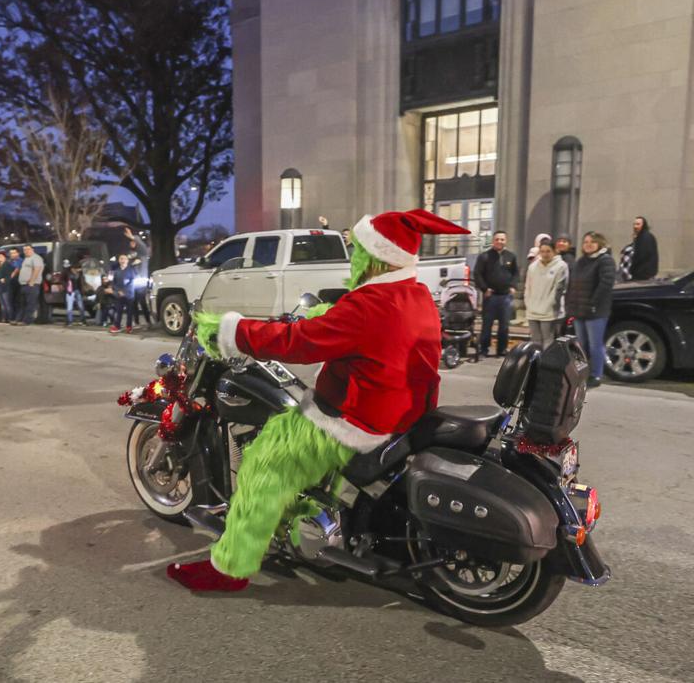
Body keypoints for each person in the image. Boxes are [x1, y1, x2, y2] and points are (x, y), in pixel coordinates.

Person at [167, 209, 470, 592]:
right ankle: (291, 519)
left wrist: (234, 331)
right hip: (403, 414)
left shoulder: (369, 305)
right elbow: (363, 332)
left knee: (264, 466)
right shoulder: (415, 294)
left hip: (356, 420)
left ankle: (229, 568)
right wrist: (324, 314)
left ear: (376, 256)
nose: (352, 256)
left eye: (357, 249)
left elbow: (298, 343)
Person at [567, 232, 616, 387]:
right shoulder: (581, 261)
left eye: (592, 242)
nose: (588, 244)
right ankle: (581, 373)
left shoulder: (605, 260)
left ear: (599, 244)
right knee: (580, 345)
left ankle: (596, 375)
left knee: (595, 344)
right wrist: (570, 304)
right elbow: (573, 285)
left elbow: (606, 283)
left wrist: (593, 302)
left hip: (596, 311)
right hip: (579, 309)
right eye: (586, 241)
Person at [473, 230, 519, 358]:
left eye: (502, 239)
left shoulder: (511, 256)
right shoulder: (484, 256)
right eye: (497, 239)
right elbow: (477, 274)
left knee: (504, 326)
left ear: (506, 241)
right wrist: (484, 289)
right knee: (487, 325)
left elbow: (516, 273)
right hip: (490, 297)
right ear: (493, 241)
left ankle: (501, 350)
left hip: (505, 297)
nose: (499, 241)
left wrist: (513, 286)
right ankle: (484, 350)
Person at [524, 238, 568, 347]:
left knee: (548, 340)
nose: (545, 254)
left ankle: (547, 358)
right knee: (535, 341)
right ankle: (536, 358)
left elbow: (558, 289)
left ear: (554, 251)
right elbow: (528, 287)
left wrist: (549, 306)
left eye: (548, 251)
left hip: (549, 312)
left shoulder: (561, 266)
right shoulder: (533, 267)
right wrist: (528, 303)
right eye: (542, 251)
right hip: (532, 310)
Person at [620, 216, 659, 282]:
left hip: (642, 275)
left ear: (643, 225)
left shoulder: (645, 237)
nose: (635, 226)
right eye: (634, 224)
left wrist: (632, 268)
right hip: (643, 273)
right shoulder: (643, 236)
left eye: (638, 224)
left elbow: (641, 255)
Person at [15, 244, 45, 325]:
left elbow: (37, 269)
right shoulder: (26, 259)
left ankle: (27, 321)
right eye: (24, 250)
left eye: (28, 249)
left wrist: (32, 281)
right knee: (23, 303)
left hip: (32, 285)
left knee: (30, 303)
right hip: (24, 284)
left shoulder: (36, 258)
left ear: (32, 249)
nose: (26, 251)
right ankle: (20, 319)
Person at [107, 254, 137, 334]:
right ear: (119, 260)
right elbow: (113, 283)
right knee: (118, 311)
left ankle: (129, 327)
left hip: (129, 295)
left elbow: (132, 282)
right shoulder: (116, 271)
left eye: (124, 259)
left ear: (127, 260)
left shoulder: (131, 270)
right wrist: (118, 291)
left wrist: (124, 291)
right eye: (121, 259)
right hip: (119, 295)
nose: (122, 260)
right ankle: (117, 326)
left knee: (129, 312)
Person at [62, 259, 87, 326]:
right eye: (76, 269)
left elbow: (82, 281)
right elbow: (62, 279)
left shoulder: (80, 273)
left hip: (78, 290)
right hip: (70, 291)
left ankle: (83, 320)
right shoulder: (67, 272)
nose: (77, 270)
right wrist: (66, 286)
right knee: (69, 307)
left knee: (81, 306)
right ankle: (69, 321)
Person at [0, 251, 15, 323]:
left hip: (6, 287)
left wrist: (5, 279)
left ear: (5, 257)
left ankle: (10, 318)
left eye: (1, 256)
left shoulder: (8, 265)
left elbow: (10, 275)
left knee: (7, 303)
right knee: (2, 304)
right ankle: (4, 318)